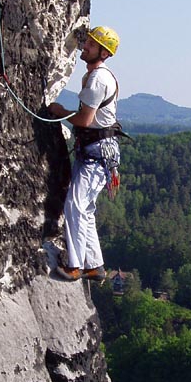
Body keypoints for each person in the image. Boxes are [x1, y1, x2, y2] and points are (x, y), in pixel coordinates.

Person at [47, 26, 121, 281]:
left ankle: (75, 266)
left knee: (75, 206)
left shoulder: (99, 79)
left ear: (103, 52)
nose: (85, 46)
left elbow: (84, 120)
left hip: (96, 152)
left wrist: (58, 112)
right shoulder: (97, 76)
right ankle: (94, 265)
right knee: (86, 208)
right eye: (87, 42)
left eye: (91, 44)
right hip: (97, 151)